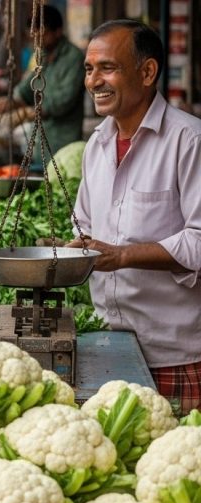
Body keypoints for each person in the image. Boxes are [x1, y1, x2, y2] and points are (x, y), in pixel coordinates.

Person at [70, 20, 201, 414]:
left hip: (174, 354)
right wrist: (68, 251)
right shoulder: (97, 144)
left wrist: (123, 256)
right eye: (89, 70)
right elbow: (85, 226)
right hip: (109, 346)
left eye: (107, 68)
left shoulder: (188, 140)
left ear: (147, 72)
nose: (95, 81)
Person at [0, 5, 86, 155]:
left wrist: (31, 111)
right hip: (39, 139)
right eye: (34, 36)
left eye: (42, 35)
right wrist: (14, 100)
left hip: (63, 139)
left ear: (58, 31)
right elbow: (29, 85)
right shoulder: (42, 55)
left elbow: (63, 101)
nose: (37, 41)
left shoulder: (74, 58)